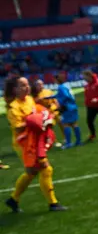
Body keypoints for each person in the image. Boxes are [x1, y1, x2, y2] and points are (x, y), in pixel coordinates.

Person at [4, 76, 67, 213]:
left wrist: (45, 118)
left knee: (32, 172)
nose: (27, 87)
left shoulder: (30, 100)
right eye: (22, 85)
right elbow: (19, 128)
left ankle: (13, 199)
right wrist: (33, 121)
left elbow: (38, 114)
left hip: (34, 141)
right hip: (24, 144)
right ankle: (53, 203)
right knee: (45, 169)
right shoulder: (13, 108)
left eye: (27, 85)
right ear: (15, 89)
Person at [30, 79, 64, 147]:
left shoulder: (48, 91)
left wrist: (58, 107)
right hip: (45, 113)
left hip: (54, 109)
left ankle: (66, 138)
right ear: (35, 86)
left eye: (42, 84)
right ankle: (54, 141)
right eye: (39, 84)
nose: (41, 86)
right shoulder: (34, 95)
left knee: (62, 124)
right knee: (50, 128)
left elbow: (55, 100)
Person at [52, 72, 81, 149]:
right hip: (73, 107)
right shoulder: (66, 86)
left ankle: (68, 143)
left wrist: (60, 105)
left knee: (65, 124)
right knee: (74, 124)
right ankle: (78, 141)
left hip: (67, 108)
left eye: (54, 80)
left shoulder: (60, 87)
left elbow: (65, 96)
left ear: (56, 80)